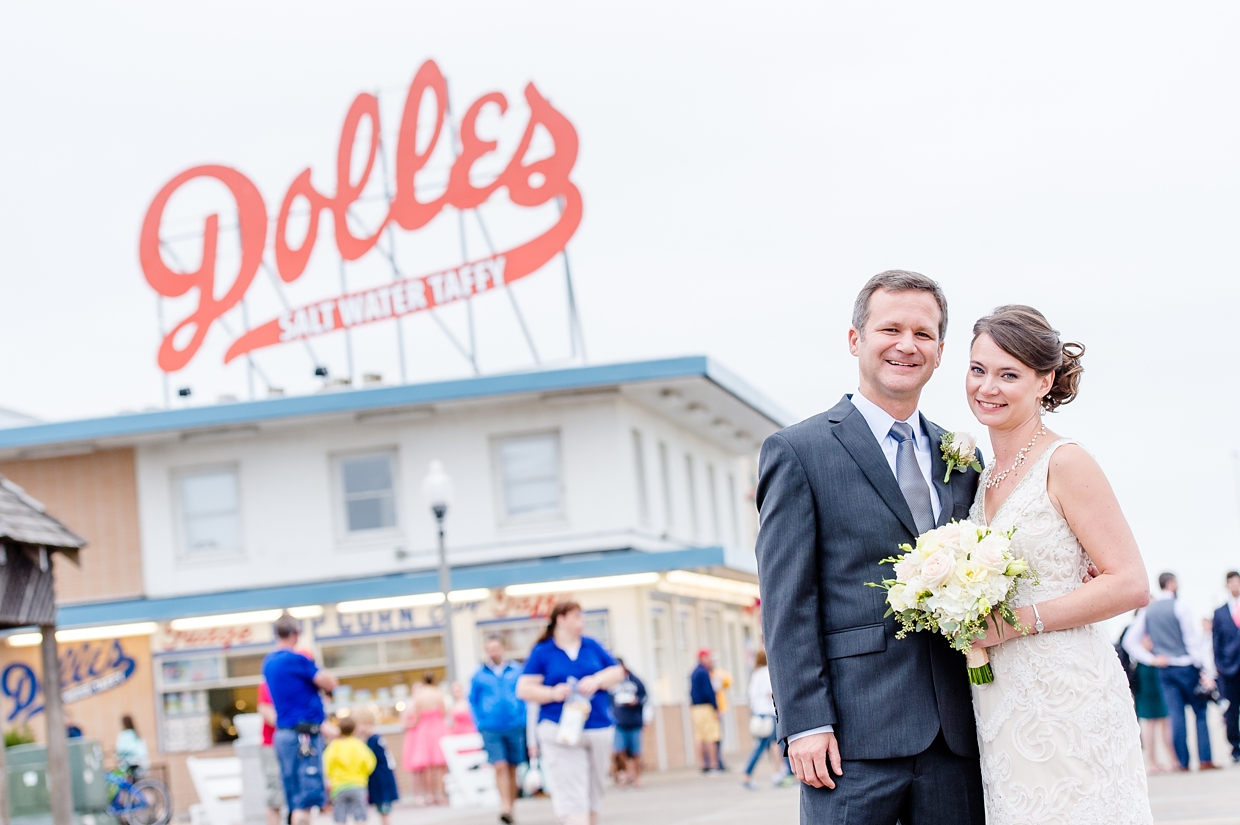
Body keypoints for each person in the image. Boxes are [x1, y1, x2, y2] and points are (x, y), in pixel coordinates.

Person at [964, 305, 1153, 819]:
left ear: (1045, 380)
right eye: (978, 369)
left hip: (1068, 691)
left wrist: (1014, 624)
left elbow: (1131, 583)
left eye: (1009, 374)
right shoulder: (979, 477)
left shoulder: (1066, 461)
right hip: (1000, 699)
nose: (987, 387)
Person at [516, 601, 624, 825]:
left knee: (595, 792)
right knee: (572, 793)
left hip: (596, 725)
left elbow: (617, 672)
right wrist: (552, 692)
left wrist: (596, 680)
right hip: (559, 728)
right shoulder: (543, 652)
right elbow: (524, 688)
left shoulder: (591, 646)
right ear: (561, 619)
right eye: (577, 617)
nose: (581, 622)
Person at [1124, 572, 1218, 771]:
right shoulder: (1180, 605)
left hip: (1164, 669)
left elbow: (1129, 641)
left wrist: (1152, 659)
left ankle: (1182, 763)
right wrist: (1201, 667)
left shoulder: (1148, 611)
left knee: (1175, 714)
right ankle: (1205, 760)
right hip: (1185, 665)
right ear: (1172, 584)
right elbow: (1190, 639)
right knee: (1200, 713)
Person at [262, 613, 339, 825]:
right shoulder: (296, 660)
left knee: (294, 798)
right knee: (306, 799)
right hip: (303, 736)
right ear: (296, 633)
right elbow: (329, 682)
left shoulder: (268, 663)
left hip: (284, 736)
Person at [469, 636, 529, 824]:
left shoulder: (516, 671)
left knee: (512, 768)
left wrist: (522, 718)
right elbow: (473, 700)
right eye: (490, 649)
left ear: (503, 648)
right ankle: (504, 806)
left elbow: (524, 694)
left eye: (496, 648)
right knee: (500, 766)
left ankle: (511, 807)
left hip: (514, 725)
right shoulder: (479, 675)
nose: (493, 652)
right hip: (491, 728)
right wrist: (480, 723)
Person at [740, 650, 788, 790]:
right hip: (768, 714)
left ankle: (780, 773)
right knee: (767, 745)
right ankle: (747, 775)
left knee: (775, 744)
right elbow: (771, 693)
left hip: (759, 714)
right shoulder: (767, 672)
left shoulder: (755, 674)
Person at [402, 673, 449, 806]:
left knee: (428, 766)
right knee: (441, 766)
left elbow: (416, 717)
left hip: (424, 730)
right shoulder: (438, 693)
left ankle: (431, 795)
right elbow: (443, 712)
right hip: (438, 728)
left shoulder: (419, 696)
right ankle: (442, 794)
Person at [322, 716, 376, 825]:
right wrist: (362, 774)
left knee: (340, 816)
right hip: (358, 784)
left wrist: (332, 777)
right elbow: (370, 763)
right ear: (355, 729)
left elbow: (326, 765)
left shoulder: (334, 746)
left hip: (338, 786)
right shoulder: (359, 745)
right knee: (360, 815)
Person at [1132, 634, 1173, 773]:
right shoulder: (1140, 631)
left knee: (1160, 721)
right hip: (1148, 676)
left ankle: (1165, 760)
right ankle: (1155, 762)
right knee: (1153, 722)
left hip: (1150, 673)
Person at [1211, 570, 1240, 763]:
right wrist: (1220, 667)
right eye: (1232, 583)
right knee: (1231, 710)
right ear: (1227, 585)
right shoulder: (1220, 612)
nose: (1235, 586)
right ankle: (1235, 747)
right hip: (1230, 670)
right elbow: (1216, 643)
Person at [352, 711, 398, 825]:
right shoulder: (374, 739)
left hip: (380, 780)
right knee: (381, 809)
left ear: (367, 723)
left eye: (358, 725)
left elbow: (369, 761)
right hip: (380, 779)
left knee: (384, 810)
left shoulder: (373, 740)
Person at [608, 658, 647, 788]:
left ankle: (636, 777)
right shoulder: (610, 683)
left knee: (636, 752)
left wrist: (637, 701)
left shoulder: (635, 680)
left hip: (634, 721)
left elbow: (645, 696)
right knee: (619, 751)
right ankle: (624, 775)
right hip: (618, 722)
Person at [256, 680, 286, 825]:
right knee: (275, 795)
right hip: (272, 745)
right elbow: (265, 710)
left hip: (294, 745)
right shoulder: (268, 684)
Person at [688, 650, 720, 773]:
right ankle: (713, 764)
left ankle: (703, 764)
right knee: (711, 736)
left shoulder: (694, 672)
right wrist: (715, 707)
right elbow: (709, 692)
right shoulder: (703, 672)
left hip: (696, 708)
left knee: (700, 737)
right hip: (706, 708)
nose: (711, 661)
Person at [710, 662, 732, 771]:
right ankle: (716, 763)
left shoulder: (717, 674)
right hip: (714, 710)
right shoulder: (711, 676)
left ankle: (718, 761)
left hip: (718, 708)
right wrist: (716, 709)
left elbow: (728, 682)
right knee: (715, 737)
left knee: (717, 737)